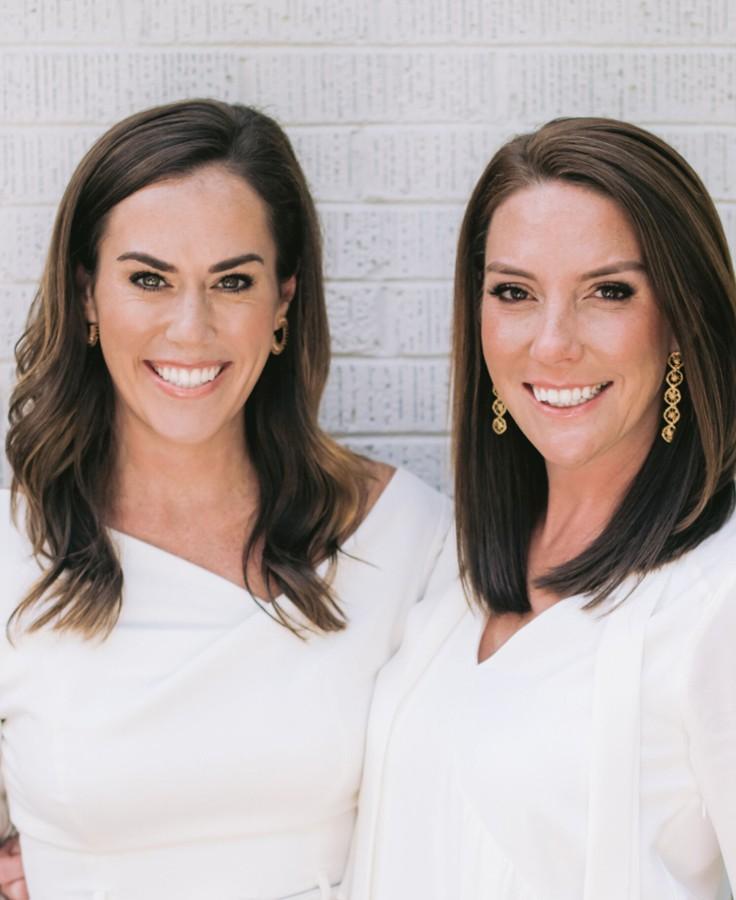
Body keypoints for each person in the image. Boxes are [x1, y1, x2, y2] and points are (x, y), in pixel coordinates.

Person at [0, 99, 451, 900]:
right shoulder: (13, 546)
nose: (191, 328)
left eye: (232, 282)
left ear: (283, 303)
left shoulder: (408, 538)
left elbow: (477, 806)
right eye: (149, 279)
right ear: (87, 296)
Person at [344, 118, 736, 899]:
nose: (553, 343)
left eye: (609, 292)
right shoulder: (453, 578)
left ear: (682, 319)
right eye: (515, 293)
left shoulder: (714, 598)